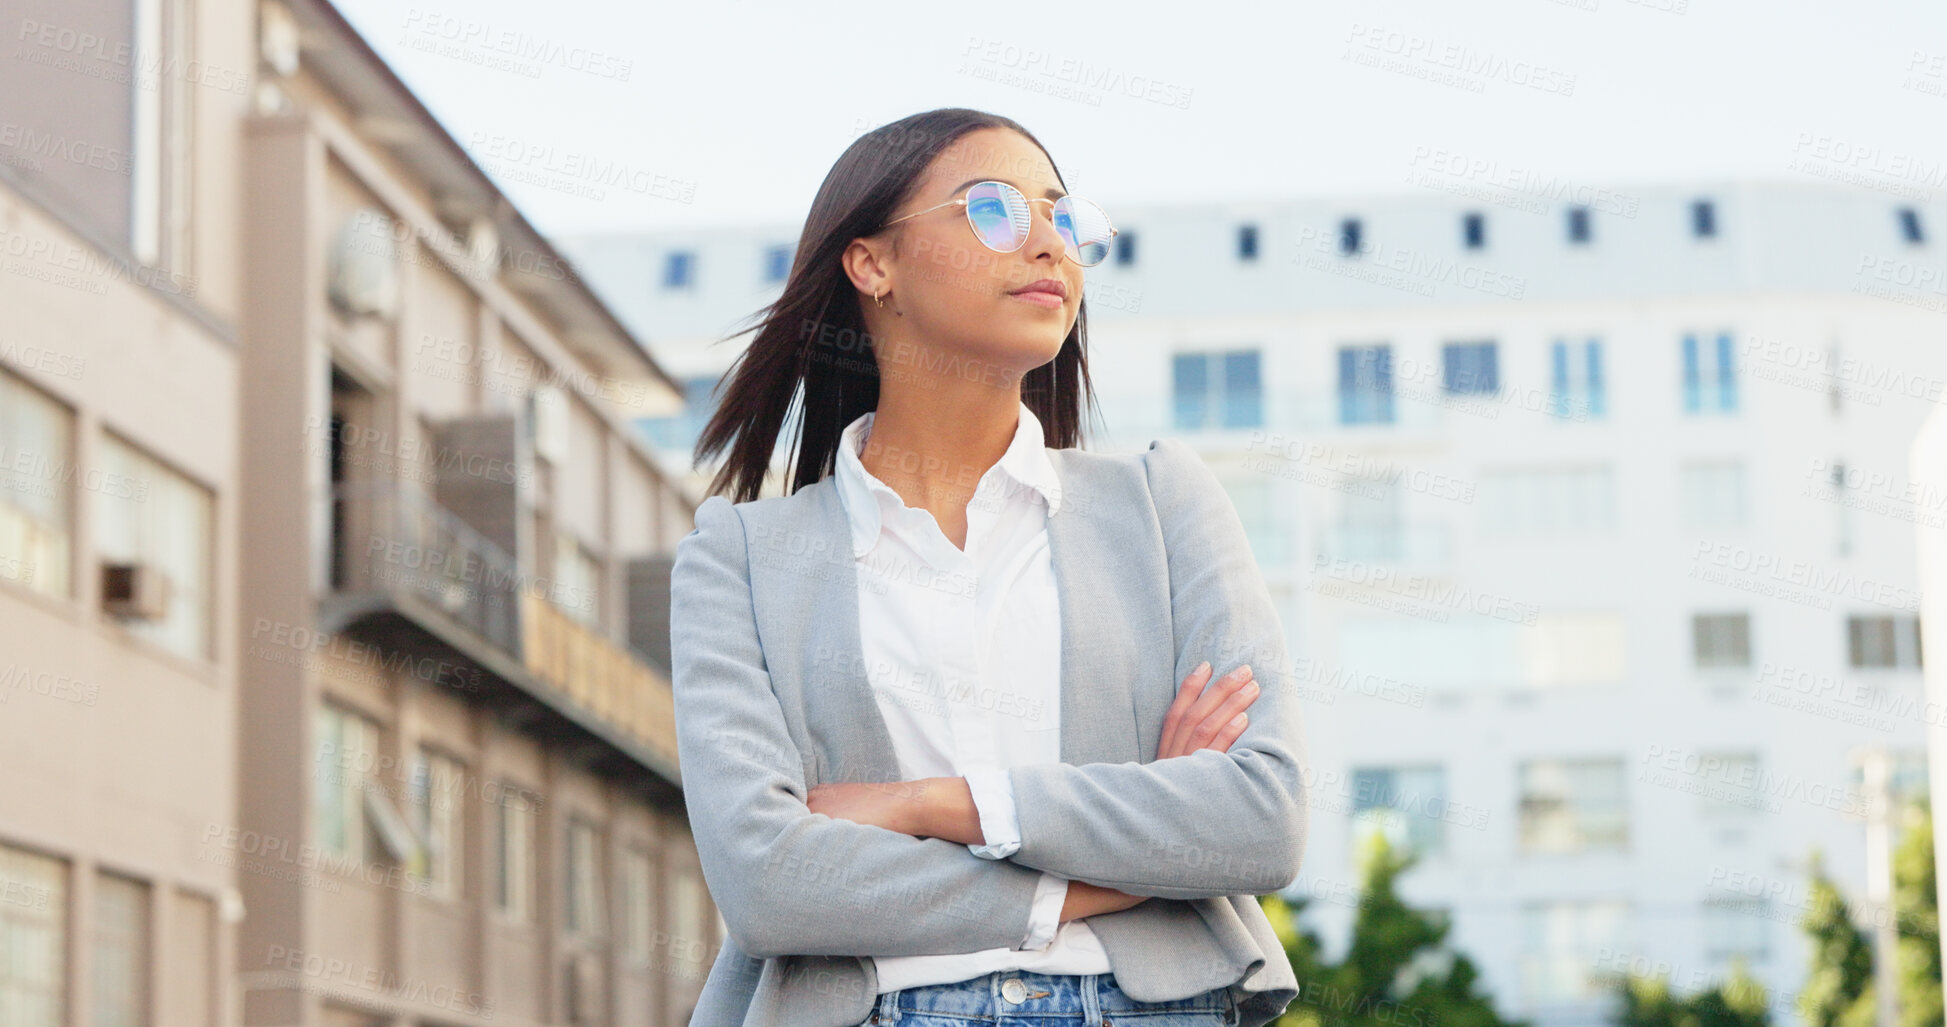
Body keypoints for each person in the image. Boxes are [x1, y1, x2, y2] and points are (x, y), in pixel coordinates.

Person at [670, 107, 1308, 1027]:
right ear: (872, 263)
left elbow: (1260, 815)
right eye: (997, 211)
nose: (1049, 243)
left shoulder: (1163, 505)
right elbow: (769, 882)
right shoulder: (740, 560)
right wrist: (1111, 871)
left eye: (1062, 216)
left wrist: (927, 804)